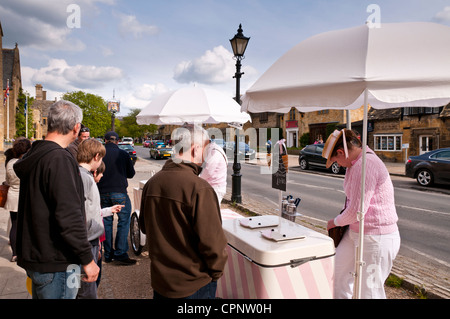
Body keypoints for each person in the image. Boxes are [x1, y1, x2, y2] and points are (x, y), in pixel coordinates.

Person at [13, 100, 99, 299]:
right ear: (76, 127)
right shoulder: (58, 158)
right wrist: (87, 259)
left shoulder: (38, 152)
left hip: (40, 257)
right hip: (57, 262)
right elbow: (68, 215)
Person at [139, 125, 228, 299]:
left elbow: (144, 226)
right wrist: (215, 273)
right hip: (193, 284)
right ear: (195, 149)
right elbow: (213, 244)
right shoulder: (199, 188)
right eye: (205, 150)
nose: (206, 156)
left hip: (161, 282)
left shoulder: (152, 183)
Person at [322, 129, 400, 299]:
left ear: (341, 152)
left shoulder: (364, 164)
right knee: (337, 274)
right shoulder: (357, 161)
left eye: (336, 160)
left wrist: (334, 222)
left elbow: (357, 211)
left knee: (369, 291)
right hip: (357, 231)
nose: (338, 165)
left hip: (376, 236)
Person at [76, 138, 123, 298]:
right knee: (86, 290)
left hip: (89, 242)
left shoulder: (83, 175)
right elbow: (78, 216)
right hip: (86, 243)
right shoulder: (84, 177)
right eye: (101, 158)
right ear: (96, 156)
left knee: (82, 287)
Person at [97, 131, 136, 265]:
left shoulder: (100, 154)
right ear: (118, 141)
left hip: (102, 192)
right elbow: (131, 174)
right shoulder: (123, 154)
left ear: (105, 140)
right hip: (119, 191)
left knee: (106, 223)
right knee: (123, 222)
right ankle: (120, 253)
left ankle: (107, 254)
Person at [4, 138, 31, 262]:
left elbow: (7, 181)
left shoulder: (10, 163)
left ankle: (14, 253)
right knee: (25, 226)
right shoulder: (26, 162)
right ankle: (23, 251)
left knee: (14, 225)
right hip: (25, 196)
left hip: (12, 196)